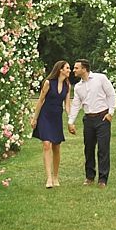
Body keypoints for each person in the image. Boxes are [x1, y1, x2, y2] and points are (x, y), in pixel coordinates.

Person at [67, 59, 116, 188]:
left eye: (76, 68)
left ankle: (103, 179)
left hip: (102, 118)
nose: (74, 70)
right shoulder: (78, 87)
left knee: (103, 149)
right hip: (88, 120)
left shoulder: (100, 78)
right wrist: (71, 121)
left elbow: (111, 95)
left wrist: (110, 112)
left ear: (84, 69)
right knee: (88, 149)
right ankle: (89, 176)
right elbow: (76, 104)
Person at [31, 60, 72, 189]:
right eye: (67, 68)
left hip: (56, 118)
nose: (69, 70)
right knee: (47, 144)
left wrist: (71, 120)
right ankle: (49, 177)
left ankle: (55, 176)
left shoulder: (67, 86)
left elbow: (67, 105)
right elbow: (40, 100)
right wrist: (34, 118)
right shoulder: (49, 83)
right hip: (45, 116)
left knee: (56, 147)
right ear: (60, 69)